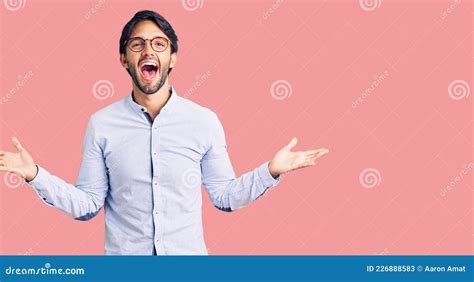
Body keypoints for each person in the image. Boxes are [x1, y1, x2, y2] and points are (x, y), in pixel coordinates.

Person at [0, 10, 329, 255]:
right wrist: (34, 174)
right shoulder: (101, 124)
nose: (148, 51)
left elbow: (225, 197)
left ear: (172, 58)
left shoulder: (203, 121)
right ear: (122, 59)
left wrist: (271, 171)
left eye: (159, 44)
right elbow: (87, 205)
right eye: (137, 44)